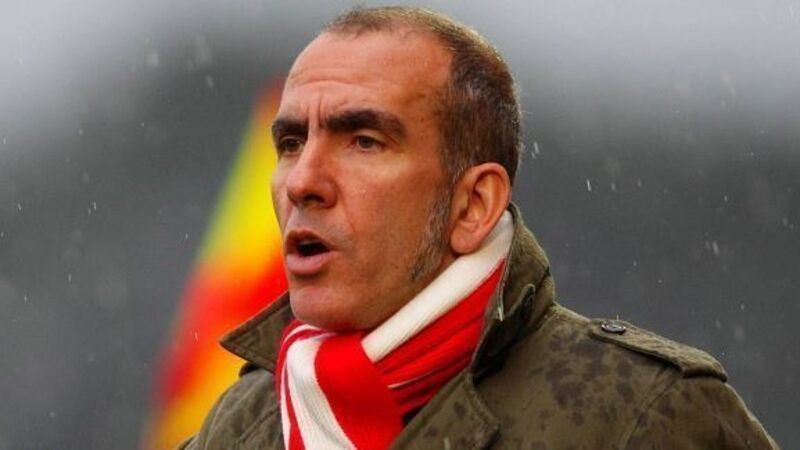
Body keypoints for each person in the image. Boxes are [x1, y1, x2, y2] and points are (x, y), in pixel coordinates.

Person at [180, 6, 776, 449]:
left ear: (474, 205)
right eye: (290, 143)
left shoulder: (645, 415)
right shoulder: (236, 426)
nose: (302, 181)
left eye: (363, 141)